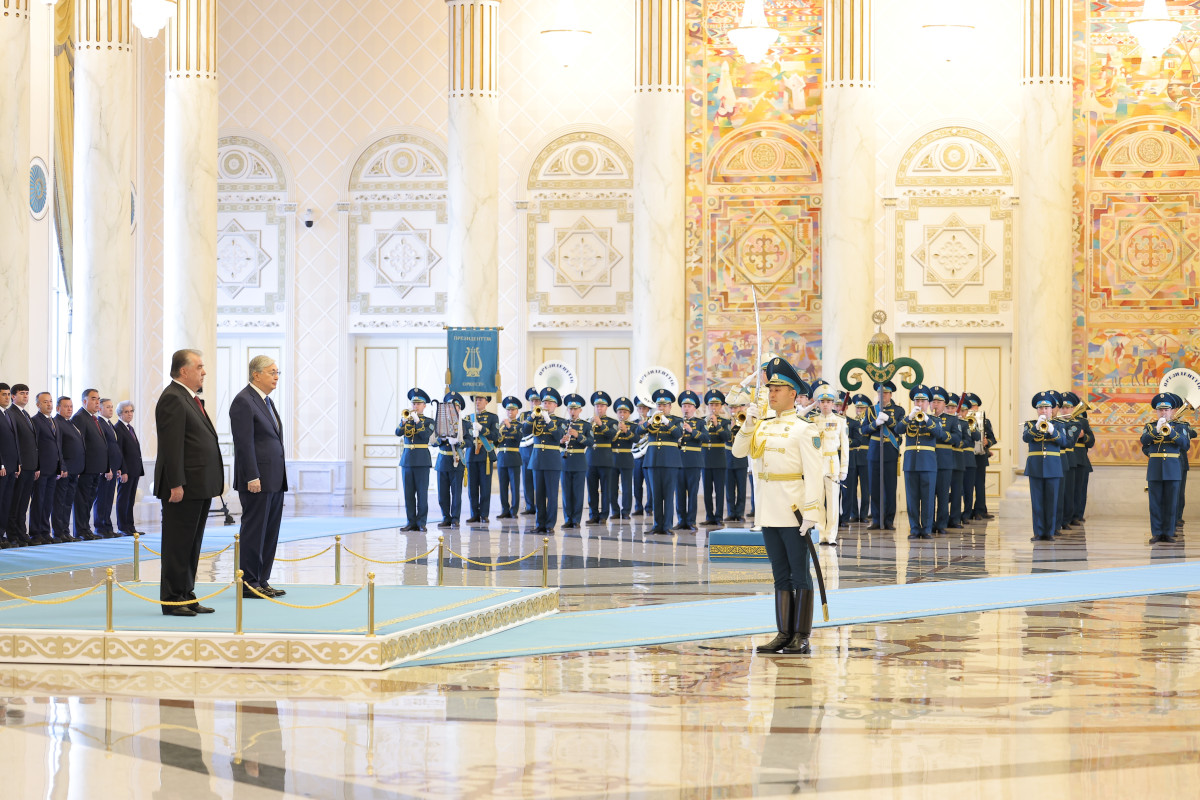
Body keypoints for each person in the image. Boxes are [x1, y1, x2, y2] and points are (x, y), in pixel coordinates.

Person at [731, 357, 823, 655]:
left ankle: (802, 635)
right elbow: (737, 452)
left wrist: (811, 513)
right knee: (780, 574)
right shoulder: (763, 425)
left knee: (800, 573)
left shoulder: (804, 429)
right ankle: (784, 633)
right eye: (770, 388)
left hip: (794, 512)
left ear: (794, 393)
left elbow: (814, 473)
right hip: (769, 510)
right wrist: (748, 423)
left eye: (778, 389)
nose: (771, 394)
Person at [154, 349, 225, 616]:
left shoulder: (189, 397)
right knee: (177, 544)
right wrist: (176, 484)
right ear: (183, 371)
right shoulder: (173, 397)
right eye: (199, 366)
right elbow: (171, 447)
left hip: (199, 485)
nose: (204, 371)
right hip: (183, 487)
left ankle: (186, 593)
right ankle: (173, 599)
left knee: (192, 544)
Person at [230, 355, 289, 599]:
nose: (276, 377)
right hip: (257, 480)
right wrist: (252, 476)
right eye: (271, 372)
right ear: (256, 375)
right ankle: (249, 583)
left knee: (269, 532)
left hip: (274, 478)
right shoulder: (244, 401)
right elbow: (243, 444)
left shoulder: (266, 402)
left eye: (278, 372)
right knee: (255, 531)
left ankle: (262, 580)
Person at [1142, 392, 1189, 544]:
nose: (1163, 412)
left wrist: (1172, 432)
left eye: (1166, 410)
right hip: (1155, 468)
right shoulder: (1150, 426)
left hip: (1173, 468)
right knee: (1155, 502)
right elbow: (1144, 441)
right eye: (1160, 410)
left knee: (1171, 502)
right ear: (1156, 411)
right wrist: (1156, 430)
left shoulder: (1180, 427)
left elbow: (1185, 445)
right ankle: (1156, 533)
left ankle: (1168, 532)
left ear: (1172, 411)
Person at [902, 386, 945, 541]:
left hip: (928, 464)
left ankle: (926, 529)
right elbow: (898, 428)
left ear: (928, 403)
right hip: (911, 463)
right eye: (917, 400)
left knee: (927, 498)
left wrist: (927, 420)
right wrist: (909, 417)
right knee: (912, 498)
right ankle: (914, 528)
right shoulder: (909, 419)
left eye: (923, 400)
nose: (920, 403)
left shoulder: (934, 420)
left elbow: (940, 434)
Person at [1024, 391, 1067, 542]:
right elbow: (1026, 437)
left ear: (1051, 410)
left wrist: (1051, 430)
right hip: (1035, 466)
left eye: (1046, 408)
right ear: (1037, 410)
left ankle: (1049, 532)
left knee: (1051, 500)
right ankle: (1038, 532)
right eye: (1040, 408)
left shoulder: (1059, 425)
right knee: (1037, 502)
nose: (1043, 411)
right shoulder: (1030, 424)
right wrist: (1036, 428)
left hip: (1053, 466)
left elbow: (1064, 442)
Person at [524, 387, 568, 534]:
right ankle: (540, 523)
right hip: (537, 459)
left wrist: (548, 420)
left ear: (555, 406)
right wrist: (531, 417)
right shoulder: (536, 418)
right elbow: (524, 431)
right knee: (540, 494)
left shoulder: (561, 421)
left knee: (552, 495)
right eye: (544, 402)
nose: (546, 405)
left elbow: (558, 435)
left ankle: (550, 524)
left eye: (549, 403)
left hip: (552, 460)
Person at [639, 389, 683, 535]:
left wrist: (667, 422)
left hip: (670, 461)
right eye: (659, 405)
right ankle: (657, 525)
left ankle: (668, 526)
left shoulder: (676, 420)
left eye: (664, 405)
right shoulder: (650, 421)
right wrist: (649, 422)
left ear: (670, 406)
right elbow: (638, 432)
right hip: (653, 461)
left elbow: (678, 434)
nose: (661, 408)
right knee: (655, 495)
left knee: (668, 495)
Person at [71, 389, 111, 542]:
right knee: (82, 501)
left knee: (88, 500)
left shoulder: (94, 419)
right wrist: (81, 467)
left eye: (98, 399)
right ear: (84, 401)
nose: (97, 402)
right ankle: (80, 530)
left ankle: (86, 529)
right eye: (93, 399)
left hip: (96, 468)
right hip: (86, 469)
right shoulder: (80, 417)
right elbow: (79, 444)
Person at [863, 381, 903, 530]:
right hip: (874, 450)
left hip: (890, 450)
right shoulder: (871, 410)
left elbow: (900, 428)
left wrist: (889, 420)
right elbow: (864, 430)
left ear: (891, 394)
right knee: (874, 487)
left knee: (890, 487)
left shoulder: (899, 410)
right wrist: (875, 423)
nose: (883, 396)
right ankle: (876, 519)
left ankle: (889, 520)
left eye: (886, 393)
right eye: (880, 393)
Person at [812, 386, 848, 545]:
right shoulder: (812, 421)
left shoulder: (840, 421)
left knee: (833, 502)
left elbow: (845, 447)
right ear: (818, 403)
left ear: (833, 404)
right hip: (817, 464)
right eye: (822, 401)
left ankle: (831, 534)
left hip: (833, 464)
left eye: (828, 401)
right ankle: (820, 532)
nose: (825, 404)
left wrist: (844, 468)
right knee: (818, 501)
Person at [29, 392, 64, 545]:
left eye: (50, 401)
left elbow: (58, 446)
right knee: (38, 501)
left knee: (48, 502)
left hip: (53, 469)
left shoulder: (53, 421)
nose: (49, 404)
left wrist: (61, 465)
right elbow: (34, 446)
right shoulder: (35, 421)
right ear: (38, 405)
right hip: (41, 469)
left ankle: (45, 531)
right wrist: (36, 466)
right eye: (45, 402)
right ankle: (35, 533)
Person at [396, 389, 434, 531]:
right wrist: (404, 421)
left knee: (422, 494)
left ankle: (421, 522)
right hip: (407, 460)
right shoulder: (407, 419)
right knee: (409, 494)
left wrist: (418, 421)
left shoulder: (429, 421)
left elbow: (425, 436)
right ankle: (411, 522)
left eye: (418, 404)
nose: (415, 406)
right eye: (413, 403)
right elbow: (398, 432)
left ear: (424, 405)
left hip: (422, 461)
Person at [6, 384, 38, 546]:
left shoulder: (25, 414)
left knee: (24, 502)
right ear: (13, 396)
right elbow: (16, 442)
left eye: (27, 393)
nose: (25, 396)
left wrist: (36, 465)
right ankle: (13, 534)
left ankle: (21, 532)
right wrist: (19, 462)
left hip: (30, 465)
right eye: (22, 393)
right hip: (21, 465)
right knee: (15, 502)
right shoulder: (10, 414)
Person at [673, 390, 708, 532]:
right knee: (679, 492)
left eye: (689, 406)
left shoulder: (700, 423)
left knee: (692, 493)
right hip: (678, 461)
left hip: (693, 462)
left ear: (694, 408)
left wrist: (691, 431)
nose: (686, 409)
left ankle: (691, 521)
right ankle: (681, 521)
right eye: (684, 406)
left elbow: (706, 438)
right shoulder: (676, 422)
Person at [51, 396, 84, 543]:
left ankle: (65, 531)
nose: (69, 409)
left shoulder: (70, 423)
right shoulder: (57, 423)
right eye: (66, 406)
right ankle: (58, 532)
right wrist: (62, 466)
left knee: (68, 502)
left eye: (71, 406)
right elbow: (59, 448)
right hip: (65, 470)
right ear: (58, 408)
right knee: (60, 502)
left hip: (74, 470)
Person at [91, 398, 124, 538]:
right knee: (102, 498)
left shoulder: (109, 424)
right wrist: (108, 467)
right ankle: (100, 527)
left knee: (109, 498)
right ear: (100, 409)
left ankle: (107, 526)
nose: (111, 409)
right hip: (106, 468)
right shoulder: (100, 424)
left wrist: (118, 467)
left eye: (112, 407)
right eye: (108, 407)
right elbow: (104, 448)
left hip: (114, 467)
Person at [559, 393, 593, 529]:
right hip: (564, 461)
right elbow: (557, 441)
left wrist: (578, 435)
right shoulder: (562, 424)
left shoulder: (585, 425)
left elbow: (590, 442)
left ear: (580, 410)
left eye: (575, 409)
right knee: (566, 493)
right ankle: (568, 519)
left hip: (579, 461)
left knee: (578, 493)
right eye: (570, 409)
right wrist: (561, 441)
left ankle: (576, 520)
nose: (572, 412)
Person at [463, 394, 498, 525]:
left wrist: (482, 429)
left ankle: (484, 514)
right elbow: (465, 437)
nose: (477, 401)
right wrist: (472, 434)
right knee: (472, 488)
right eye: (476, 399)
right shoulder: (468, 418)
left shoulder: (492, 417)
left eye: (480, 399)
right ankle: (474, 514)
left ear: (486, 402)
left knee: (485, 486)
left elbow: (495, 436)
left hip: (485, 455)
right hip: (471, 455)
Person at [435, 392, 467, 529]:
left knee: (456, 493)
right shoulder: (440, 423)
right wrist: (441, 439)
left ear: (459, 409)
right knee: (442, 493)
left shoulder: (464, 423)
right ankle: (445, 517)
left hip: (456, 461)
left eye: (456, 407)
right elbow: (433, 442)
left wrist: (460, 442)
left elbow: (469, 441)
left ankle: (455, 518)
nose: (453, 409)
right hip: (443, 461)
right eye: (450, 407)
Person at [928, 387, 957, 536]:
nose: (935, 404)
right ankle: (929, 523)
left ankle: (941, 524)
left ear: (944, 404)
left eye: (939, 401)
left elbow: (957, 438)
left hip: (944, 460)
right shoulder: (926, 418)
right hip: (928, 460)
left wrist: (942, 435)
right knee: (929, 495)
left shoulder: (952, 419)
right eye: (933, 401)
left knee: (943, 495)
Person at [701, 390, 731, 527]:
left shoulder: (725, 422)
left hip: (719, 460)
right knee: (707, 491)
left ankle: (719, 516)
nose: (714, 407)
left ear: (721, 407)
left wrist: (717, 425)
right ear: (707, 406)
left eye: (717, 405)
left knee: (719, 491)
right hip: (705, 459)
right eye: (711, 404)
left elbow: (727, 437)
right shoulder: (702, 421)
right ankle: (709, 516)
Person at [114, 400, 144, 535]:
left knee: (131, 499)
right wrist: (123, 471)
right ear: (120, 414)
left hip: (134, 469)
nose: (130, 414)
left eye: (131, 411)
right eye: (126, 412)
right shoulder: (118, 428)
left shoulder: (129, 428)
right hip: (126, 471)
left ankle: (130, 526)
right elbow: (119, 452)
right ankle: (122, 526)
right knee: (123, 499)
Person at [585, 391, 614, 524]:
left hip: (605, 459)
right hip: (590, 458)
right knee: (592, 489)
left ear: (606, 407)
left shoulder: (611, 422)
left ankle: (604, 516)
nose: (599, 408)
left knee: (605, 489)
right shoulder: (588, 422)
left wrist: (601, 424)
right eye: (597, 406)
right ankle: (593, 514)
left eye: (602, 406)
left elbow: (612, 435)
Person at [841, 395, 871, 524]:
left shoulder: (868, 422)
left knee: (865, 488)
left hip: (864, 456)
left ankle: (863, 514)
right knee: (850, 489)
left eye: (862, 408)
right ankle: (853, 513)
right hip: (852, 456)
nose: (860, 410)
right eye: (858, 408)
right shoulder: (851, 421)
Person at [494, 396, 524, 520]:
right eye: (508, 410)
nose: (510, 412)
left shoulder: (519, 425)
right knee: (503, 486)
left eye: (513, 410)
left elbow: (519, 437)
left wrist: (510, 427)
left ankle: (514, 510)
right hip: (502, 458)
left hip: (514, 457)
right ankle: (504, 510)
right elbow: (497, 442)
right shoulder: (501, 425)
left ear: (517, 412)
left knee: (514, 486)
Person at [0, 383, 22, 548]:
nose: (7, 397)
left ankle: (2, 535)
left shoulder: (8, 414)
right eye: (4, 394)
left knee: (7, 502)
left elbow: (15, 441)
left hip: (12, 466)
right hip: (2, 467)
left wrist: (18, 462)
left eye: (8, 394)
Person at [609, 397, 637, 520]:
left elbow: (636, 439)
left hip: (626, 458)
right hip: (612, 458)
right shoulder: (611, 425)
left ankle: (626, 511)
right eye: (620, 412)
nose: (622, 414)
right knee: (612, 488)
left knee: (627, 488)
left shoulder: (633, 426)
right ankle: (615, 511)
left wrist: (626, 431)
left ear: (629, 413)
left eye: (625, 412)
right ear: (616, 413)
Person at [970, 394, 996, 520]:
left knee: (980, 484)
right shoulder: (961, 420)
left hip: (980, 456)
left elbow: (992, 438)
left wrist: (987, 443)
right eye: (969, 406)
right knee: (967, 485)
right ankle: (967, 511)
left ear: (978, 407)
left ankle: (980, 510)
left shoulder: (985, 421)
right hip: (967, 455)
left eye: (973, 406)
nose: (971, 409)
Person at [725, 400, 750, 522]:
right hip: (728, 458)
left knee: (741, 488)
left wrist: (738, 424)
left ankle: (739, 513)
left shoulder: (744, 421)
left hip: (741, 458)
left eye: (735, 408)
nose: (733, 411)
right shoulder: (725, 422)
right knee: (729, 489)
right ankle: (731, 513)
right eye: (731, 408)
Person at [518, 388, 542, 516]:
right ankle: (529, 506)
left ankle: (540, 505)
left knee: (537, 480)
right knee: (527, 479)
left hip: (538, 450)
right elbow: (520, 429)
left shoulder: (544, 414)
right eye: (533, 401)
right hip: (526, 451)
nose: (535, 403)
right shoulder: (523, 415)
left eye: (537, 400)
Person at [631, 397, 654, 516]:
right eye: (639, 408)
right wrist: (639, 427)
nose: (641, 410)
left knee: (650, 484)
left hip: (649, 455)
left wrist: (646, 425)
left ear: (648, 409)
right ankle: (638, 507)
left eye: (644, 408)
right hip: (637, 457)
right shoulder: (634, 423)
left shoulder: (653, 421)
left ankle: (649, 507)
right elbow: (633, 438)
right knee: (637, 483)